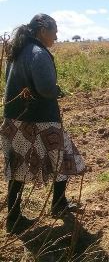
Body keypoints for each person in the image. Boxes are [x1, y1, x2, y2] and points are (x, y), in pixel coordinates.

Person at [1, 14, 85, 234]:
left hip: (15, 117)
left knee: (17, 167)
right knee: (62, 158)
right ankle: (58, 204)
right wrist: (57, 91)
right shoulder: (39, 53)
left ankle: (14, 217)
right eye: (54, 31)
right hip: (41, 118)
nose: (56, 36)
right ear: (42, 31)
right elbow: (46, 88)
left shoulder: (17, 52)